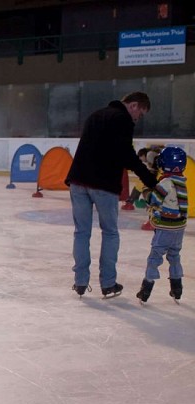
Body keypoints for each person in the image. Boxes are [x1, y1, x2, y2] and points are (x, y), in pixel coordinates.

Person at [65, 91, 158, 298]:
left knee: (81, 232)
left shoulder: (95, 115)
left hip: (78, 181)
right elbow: (127, 156)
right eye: (139, 114)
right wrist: (150, 180)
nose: (137, 119)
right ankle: (107, 284)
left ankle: (80, 282)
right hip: (103, 184)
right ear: (133, 105)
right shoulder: (122, 119)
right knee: (110, 232)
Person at [136, 146, 188, 303]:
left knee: (155, 257)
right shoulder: (181, 181)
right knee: (174, 256)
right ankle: (177, 288)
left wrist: (145, 191)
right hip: (179, 228)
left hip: (166, 228)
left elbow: (154, 200)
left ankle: (146, 289)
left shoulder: (166, 182)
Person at [122, 146, 160, 210]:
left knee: (140, 184)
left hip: (157, 176)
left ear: (143, 155)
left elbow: (153, 169)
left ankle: (130, 202)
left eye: (140, 157)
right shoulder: (152, 154)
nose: (140, 159)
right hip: (159, 176)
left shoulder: (149, 154)